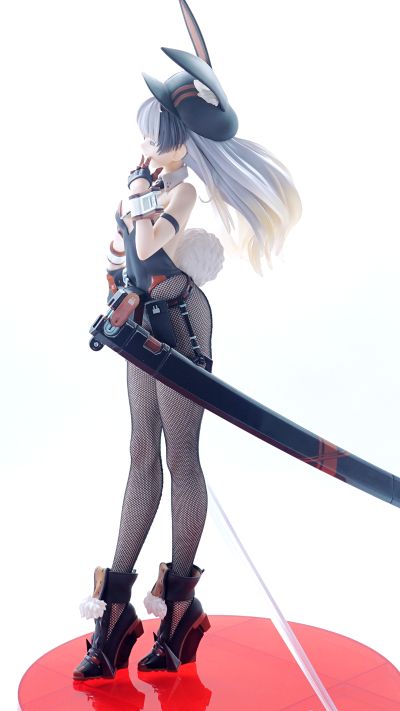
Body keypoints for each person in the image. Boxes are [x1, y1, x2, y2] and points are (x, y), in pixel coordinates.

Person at [73, 0, 302, 680]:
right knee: (140, 455)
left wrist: (141, 198)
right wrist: (116, 294)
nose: (147, 147)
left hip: (179, 320)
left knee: (181, 457)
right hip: (139, 322)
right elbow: (121, 257)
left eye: (158, 138)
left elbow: (150, 246)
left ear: (180, 142)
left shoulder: (181, 193)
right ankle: (115, 613)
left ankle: (178, 610)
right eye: (146, 137)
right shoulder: (142, 183)